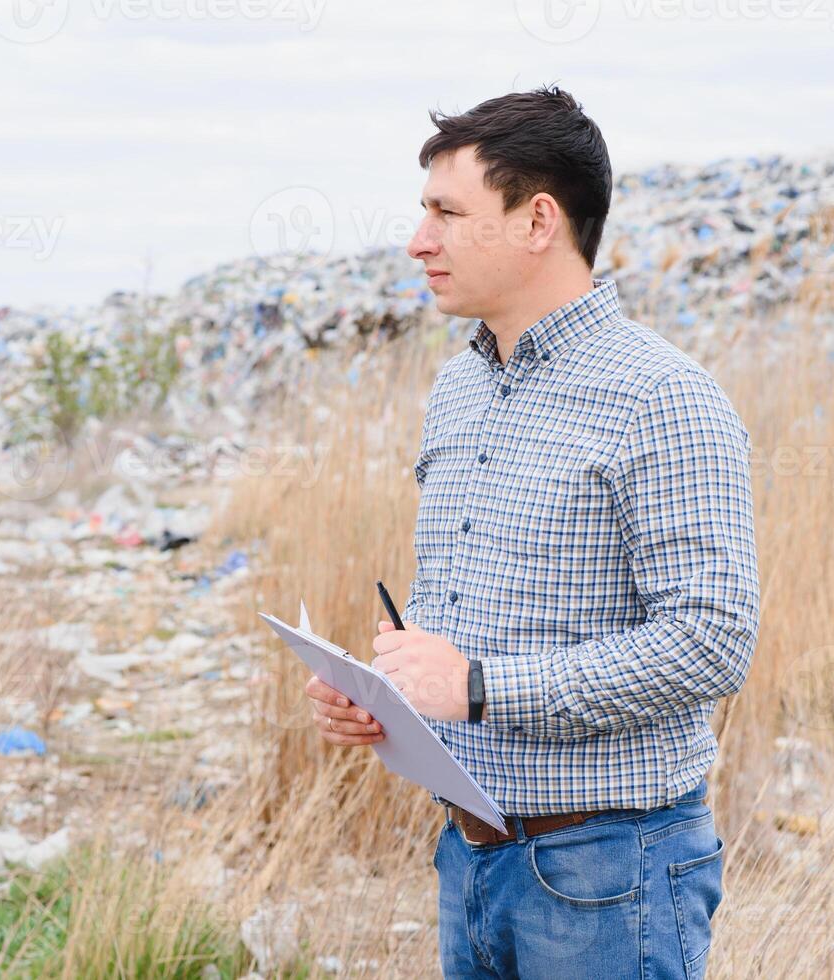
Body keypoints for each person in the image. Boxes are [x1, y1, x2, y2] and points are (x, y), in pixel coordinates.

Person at [304, 85, 760, 980]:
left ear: (537, 220)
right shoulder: (460, 389)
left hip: (610, 870)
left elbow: (713, 641)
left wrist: (476, 686)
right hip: (470, 855)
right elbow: (451, 614)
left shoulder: (662, 398)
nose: (417, 240)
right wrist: (383, 692)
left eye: (446, 212)